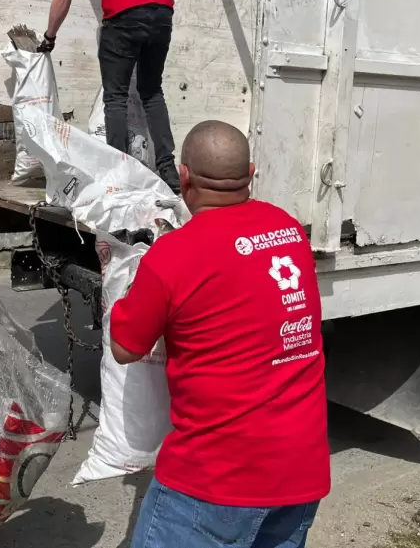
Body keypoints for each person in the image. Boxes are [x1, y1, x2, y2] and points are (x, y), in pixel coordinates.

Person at [111, 121, 330, 548]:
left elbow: (124, 347)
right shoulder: (288, 231)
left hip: (213, 480)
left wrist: (126, 284)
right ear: (250, 174)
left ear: (184, 176)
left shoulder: (172, 255)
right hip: (300, 469)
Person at [40, 0, 180, 193]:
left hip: (124, 19)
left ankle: (120, 170)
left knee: (114, 96)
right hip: (162, 15)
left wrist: (49, 36)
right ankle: (168, 170)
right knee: (152, 92)